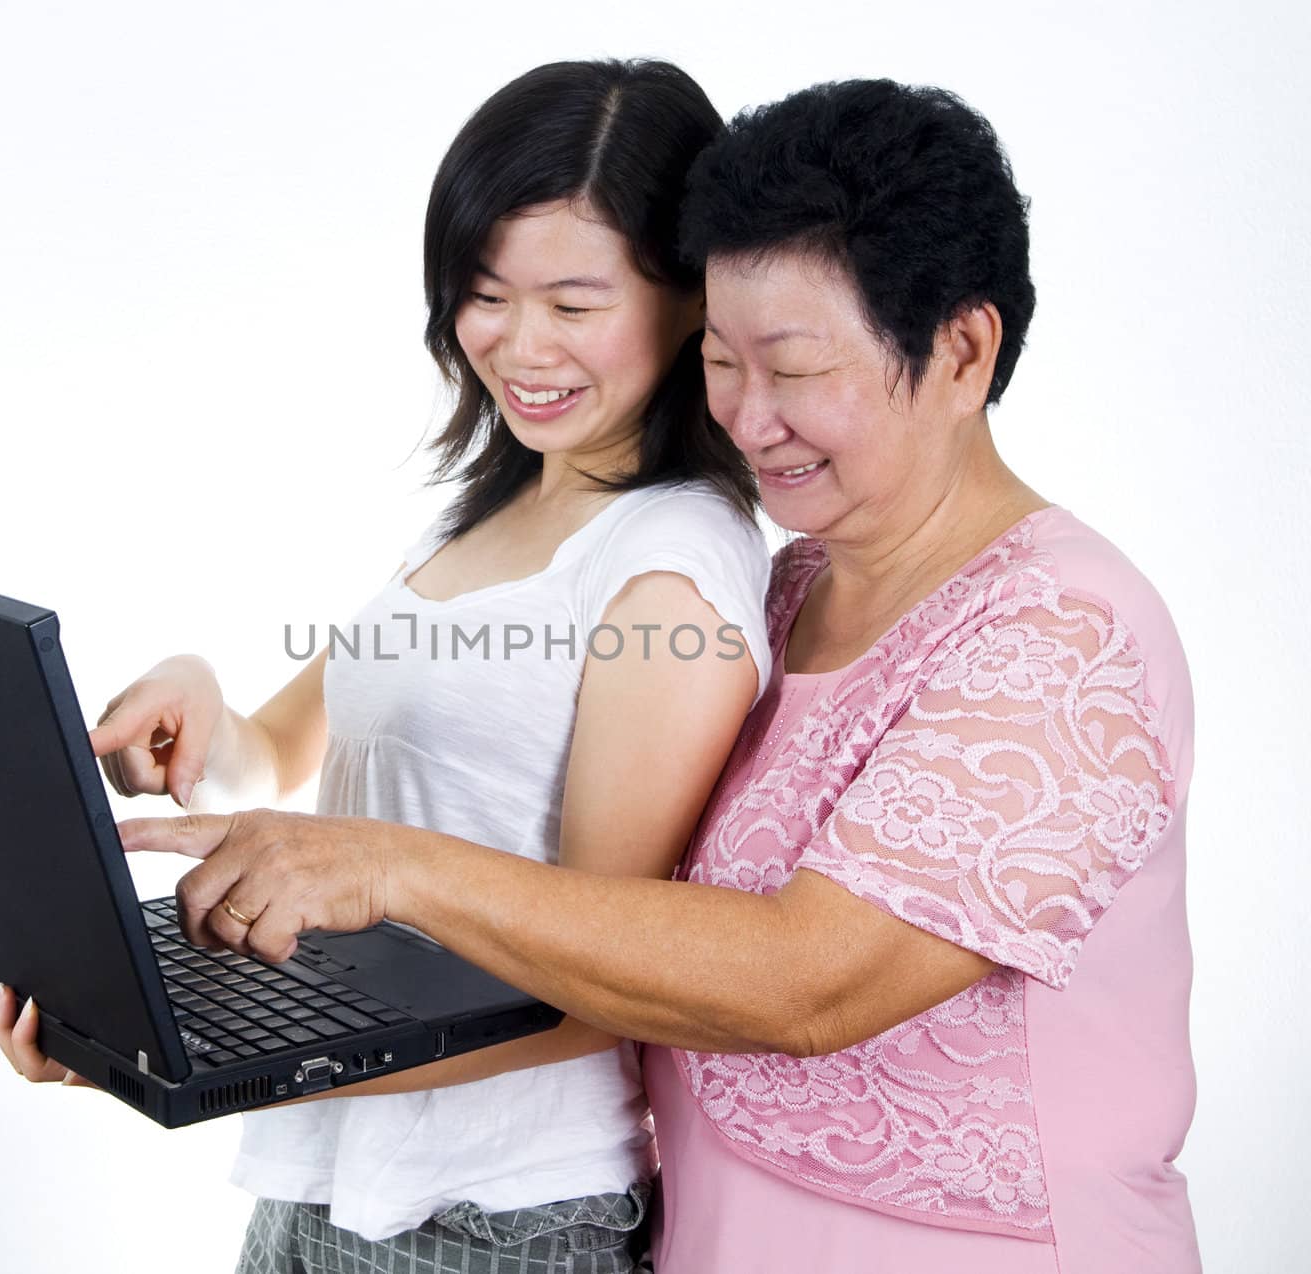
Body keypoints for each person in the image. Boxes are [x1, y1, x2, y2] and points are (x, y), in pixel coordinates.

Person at [124, 80, 1202, 1272]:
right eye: (722, 362)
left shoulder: (1060, 635)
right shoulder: (793, 589)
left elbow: (806, 980)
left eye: (790, 368)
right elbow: (630, 928)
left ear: (960, 347)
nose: (744, 417)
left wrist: (382, 873)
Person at [0, 59, 774, 1273]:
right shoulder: (481, 517)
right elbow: (286, 746)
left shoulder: (670, 566)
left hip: (502, 1211)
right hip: (332, 1175)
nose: (516, 343)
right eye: (484, 293)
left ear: (687, 297)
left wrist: (194, 1050)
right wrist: (205, 705)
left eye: (573, 299)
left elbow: (610, 982)